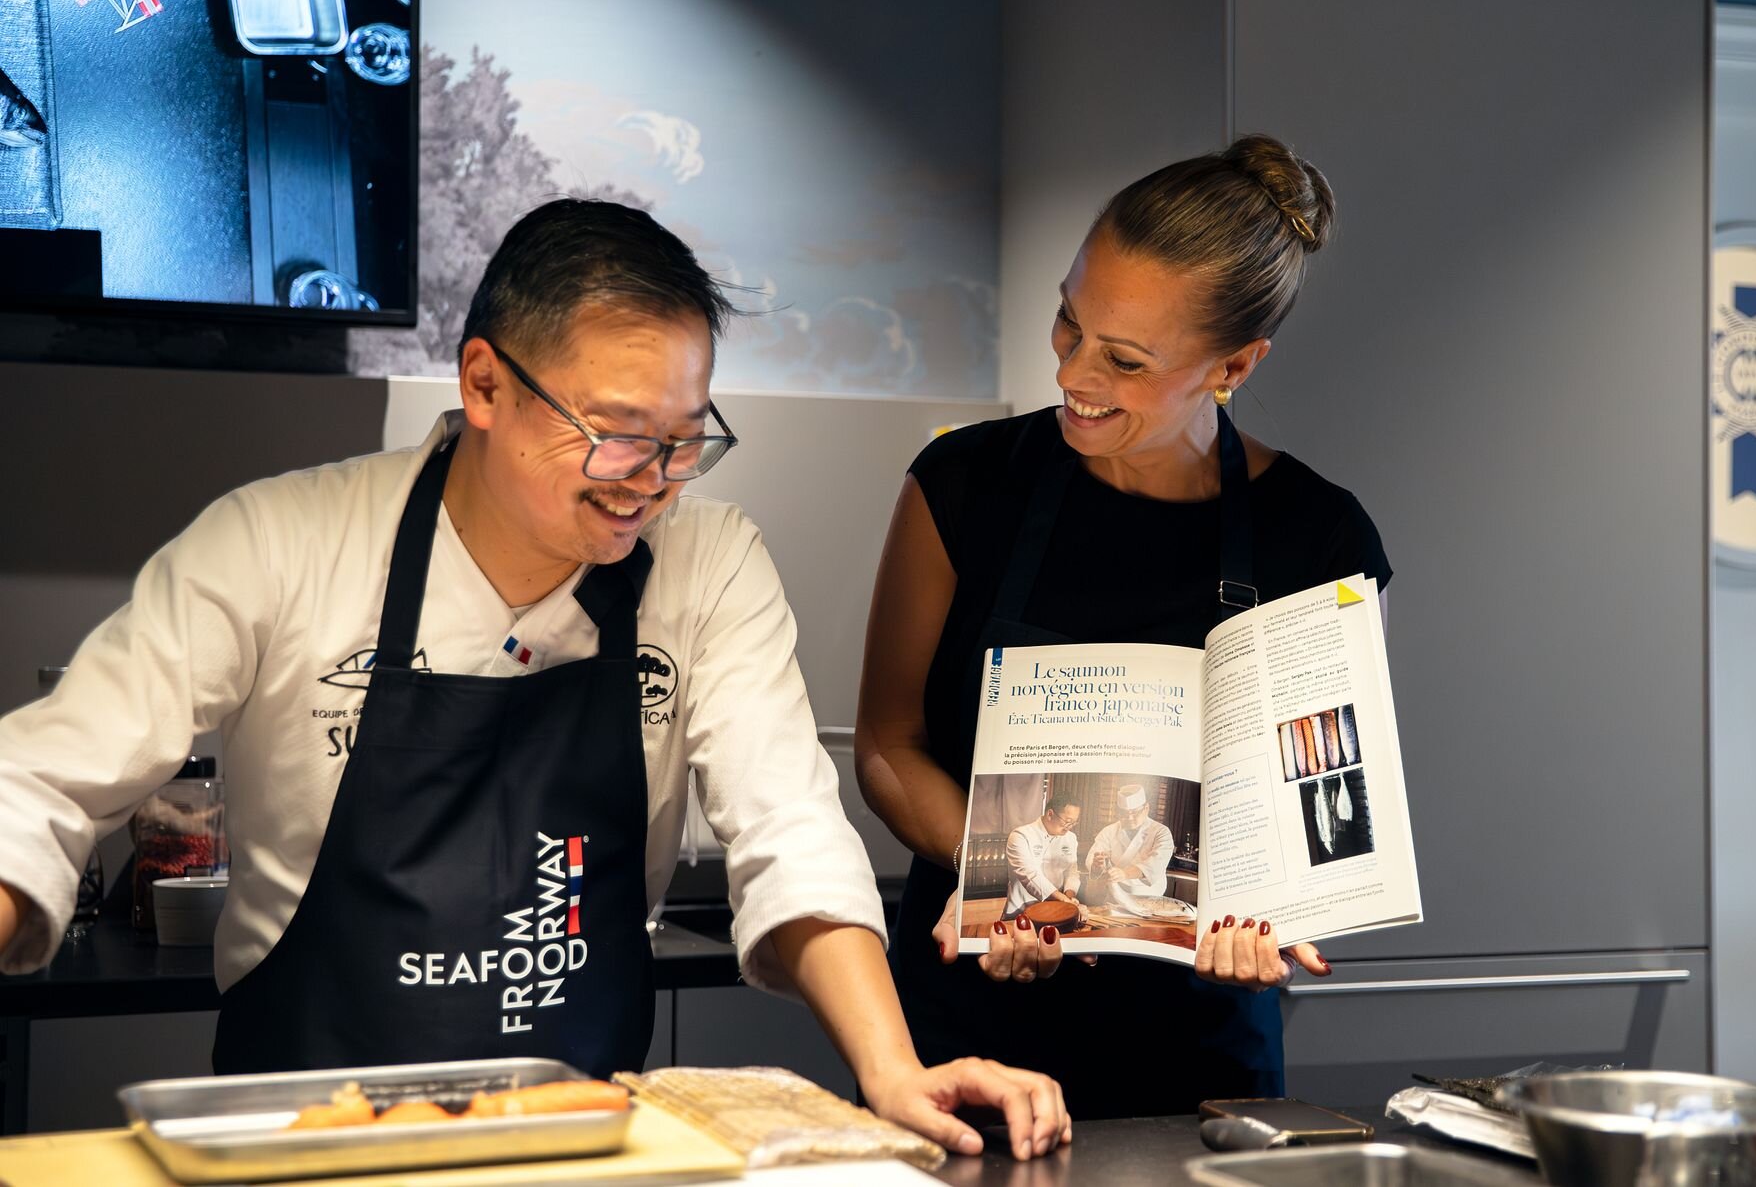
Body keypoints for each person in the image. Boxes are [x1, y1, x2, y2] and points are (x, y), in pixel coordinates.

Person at [0, 200, 1068, 1160]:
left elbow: (788, 827)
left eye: (685, 443)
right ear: (483, 385)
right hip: (299, 1149)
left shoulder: (708, 563)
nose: (650, 484)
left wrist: (890, 1070)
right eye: (613, 436)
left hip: (586, 1142)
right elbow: (40, 783)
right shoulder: (281, 542)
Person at [856, 135, 1392, 1118]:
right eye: (1069, 324)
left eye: (1125, 360)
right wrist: (999, 878)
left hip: (1195, 1058)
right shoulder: (964, 486)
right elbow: (890, 748)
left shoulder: (1318, 540)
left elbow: (1318, 804)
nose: (1073, 372)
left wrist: (1274, 921)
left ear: (1233, 363)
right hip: (969, 1022)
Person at [1081, 785, 1174, 915]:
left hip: (1149, 898)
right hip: (1115, 897)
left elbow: (1154, 866)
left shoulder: (1161, 832)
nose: (1129, 818)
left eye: (1135, 813)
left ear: (1146, 808)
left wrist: (1124, 873)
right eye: (1124, 814)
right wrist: (1097, 866)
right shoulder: (1109, 831)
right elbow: (1092, 858)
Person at [1003, 793, 1082, 919]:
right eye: (1067, 822)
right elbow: (1030, 875)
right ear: (1050, 814)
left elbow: (1071, 871)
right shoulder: (1020, 835)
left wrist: (1070, 897)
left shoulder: (1071, 838)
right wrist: (1064, 900)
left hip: (1056, 909)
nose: (1070, 827)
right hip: (1021, 910)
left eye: (1074, 823)